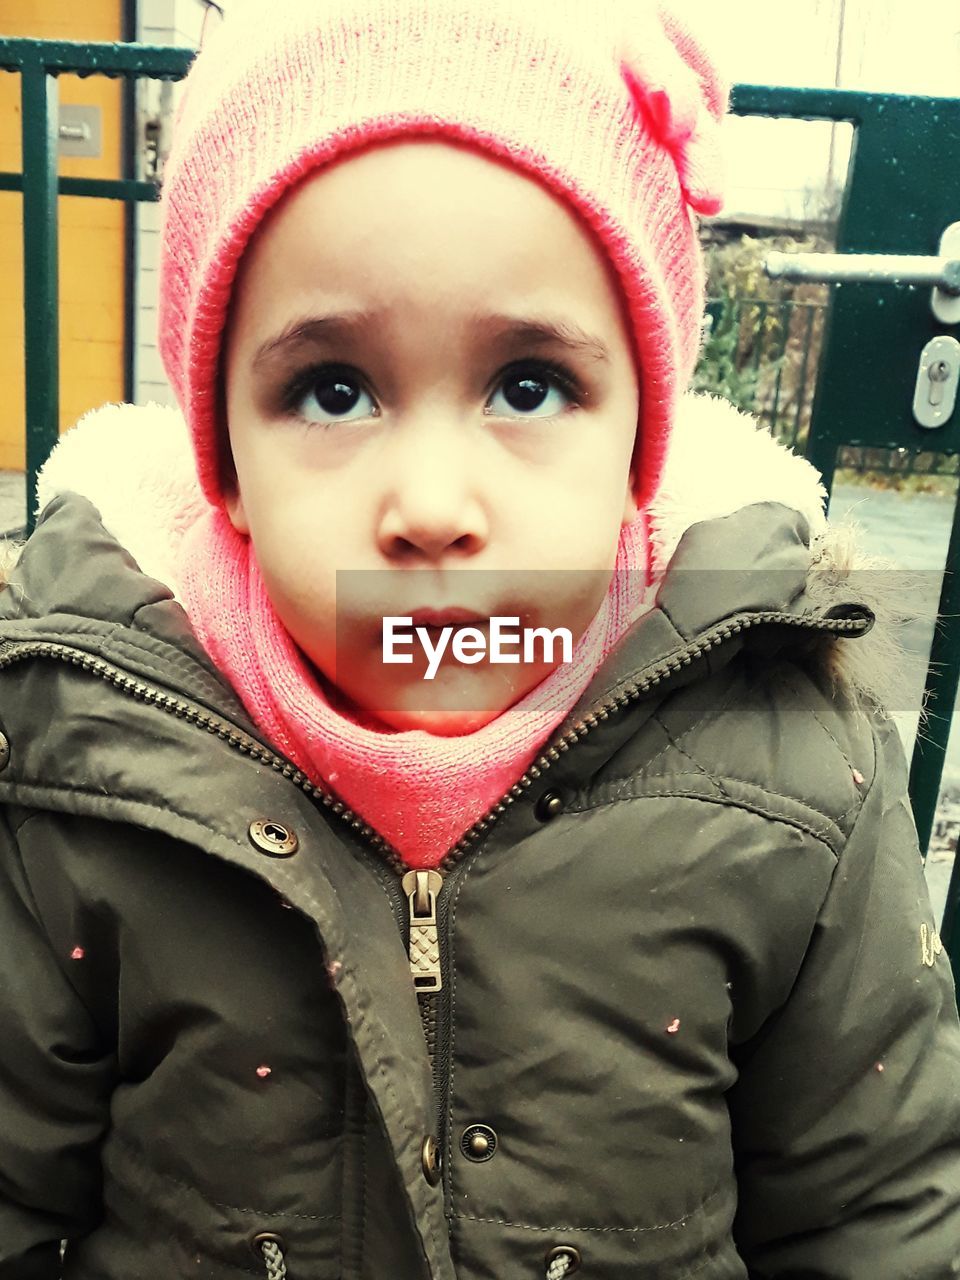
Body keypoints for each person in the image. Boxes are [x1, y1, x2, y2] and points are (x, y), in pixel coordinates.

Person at [1, 0, 958, 1276]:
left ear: (640, 444)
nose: (437, 508)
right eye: (332, 390)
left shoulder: (784, 767)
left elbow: (873, 1205)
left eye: (529, 385)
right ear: (222, 461)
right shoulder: (86, 766)